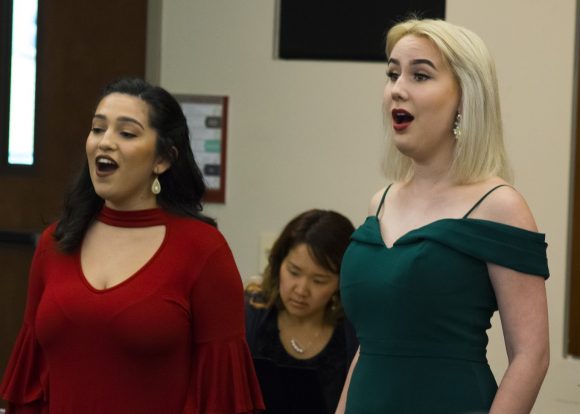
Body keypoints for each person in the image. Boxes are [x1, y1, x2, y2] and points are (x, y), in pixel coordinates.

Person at [0, 77, 264, 413]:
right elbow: (30, 385)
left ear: (163, 159)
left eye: (127, 133)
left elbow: (220, 397)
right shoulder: (57, 242)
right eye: (98, 129)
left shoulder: (204, 250)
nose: (105, 142)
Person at [336, 18, 550, 413]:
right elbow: (371, 346)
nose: (398, 89)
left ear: (465, 97)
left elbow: (531, 357)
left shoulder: (500, 205)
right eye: (393, 74)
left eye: (420, 75)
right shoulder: (379, 202)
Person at [245, 210, 358, 413]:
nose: (301, 290)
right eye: (294, 272)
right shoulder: (250, 315)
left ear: (340, 282)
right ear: (279, 263)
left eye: (319, 280)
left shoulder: (353, 334)